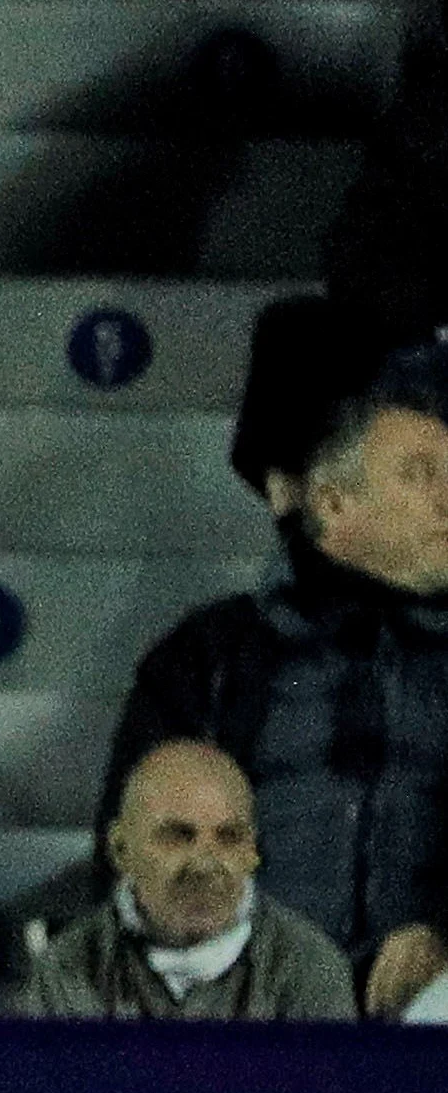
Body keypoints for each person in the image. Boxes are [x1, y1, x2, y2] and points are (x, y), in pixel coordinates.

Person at [109, 366, 448, 1019]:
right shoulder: (212, 653)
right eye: (417, 474)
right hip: (246, 996)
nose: (447, 499)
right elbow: (132, 841)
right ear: (334, 503)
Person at [26, 741, 357, 1022]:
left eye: (229, 837)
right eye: (177, 836)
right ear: (121, 849)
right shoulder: (66, 970)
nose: (203, 864)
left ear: (253, 852)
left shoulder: (312, 971)